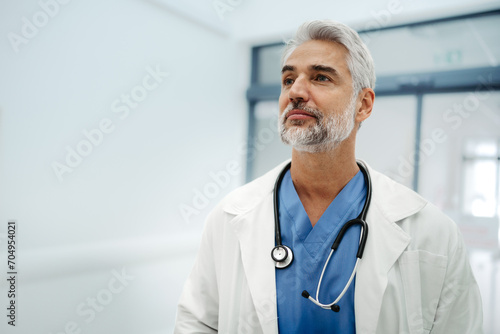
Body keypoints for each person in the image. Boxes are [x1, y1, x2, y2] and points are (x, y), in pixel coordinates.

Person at [174, 20, 483, 334]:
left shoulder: (432, 233)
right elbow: (196, 323)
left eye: (320, 77)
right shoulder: (228, 218)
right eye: (288, 79)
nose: (295, 91)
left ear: (363, 105)